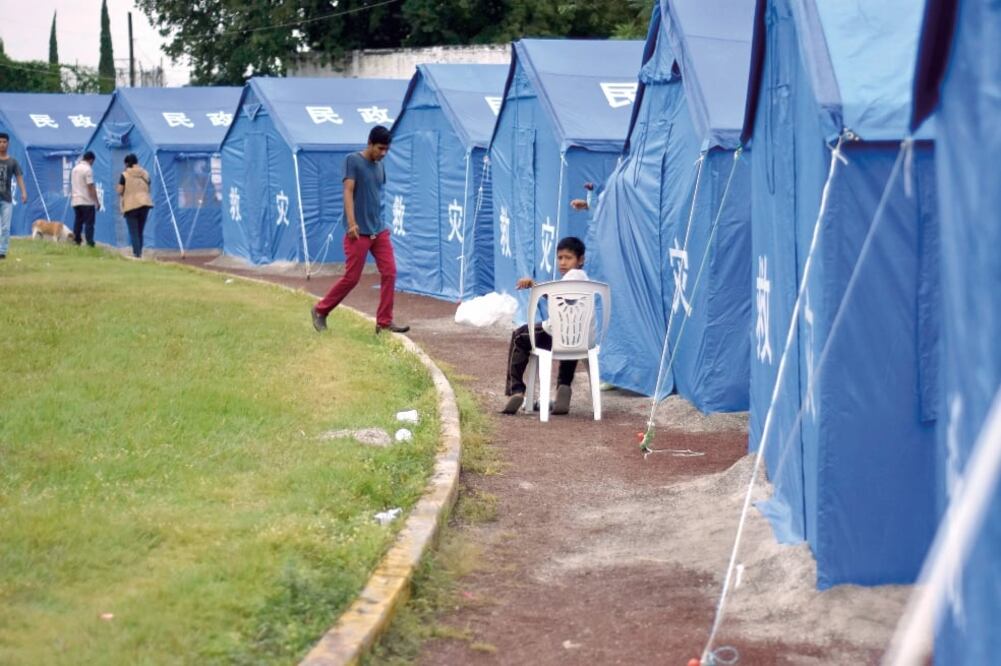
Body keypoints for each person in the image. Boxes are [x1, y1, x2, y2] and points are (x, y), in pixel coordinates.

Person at [311, 125, 409, 335]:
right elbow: (348, 191)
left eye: (386, 150)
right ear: (370, 144)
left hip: (379, 231)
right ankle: (320, 310)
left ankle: (383, 323)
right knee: (352, 278)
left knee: (390, 272)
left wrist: (381, 224)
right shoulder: (352, 161)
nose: (383, 153)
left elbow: (375, 196)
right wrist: (352, 222)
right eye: (380, 148)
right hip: (357, 232)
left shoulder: (380, 167)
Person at [501, 236, 589, 416]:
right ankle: (564, 386)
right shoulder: (585, 280)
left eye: (568, 258)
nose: (563, 262)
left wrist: (534, 285)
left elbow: (556, 295)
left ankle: (516, 389)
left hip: (555, 334)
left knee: (520, 336)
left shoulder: (571, 277)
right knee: (571, 339)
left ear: (581, 260)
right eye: (560, 258)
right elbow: (562, 298)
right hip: (581, 339)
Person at [116, 153, 153, 258]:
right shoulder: (145, 173)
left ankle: (136, 254)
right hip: (145, 204)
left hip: (131, 205)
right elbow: (149, 185)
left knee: (133, 231)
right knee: (140, 230)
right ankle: (139, 252)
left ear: (127, 163)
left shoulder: (124, 175)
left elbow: (120, 190)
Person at [0, 132, 28, 260]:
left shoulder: (13, 162)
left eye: (4, 142)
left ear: (8, 144)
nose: (2, 144)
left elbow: (19, 177)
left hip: (6, 199)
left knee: (5, 226)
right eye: (0, 142)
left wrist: (23, 192)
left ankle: (2, 251)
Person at [71, 151, 101, 247]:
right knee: (89, 223)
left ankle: (76, 240)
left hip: (76, 200)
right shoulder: (88, 169)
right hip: (86, 201)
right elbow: (90, 186)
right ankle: (89, 242)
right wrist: (97, 201)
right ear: (91, 160)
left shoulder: (74, 169)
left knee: (78, 221)